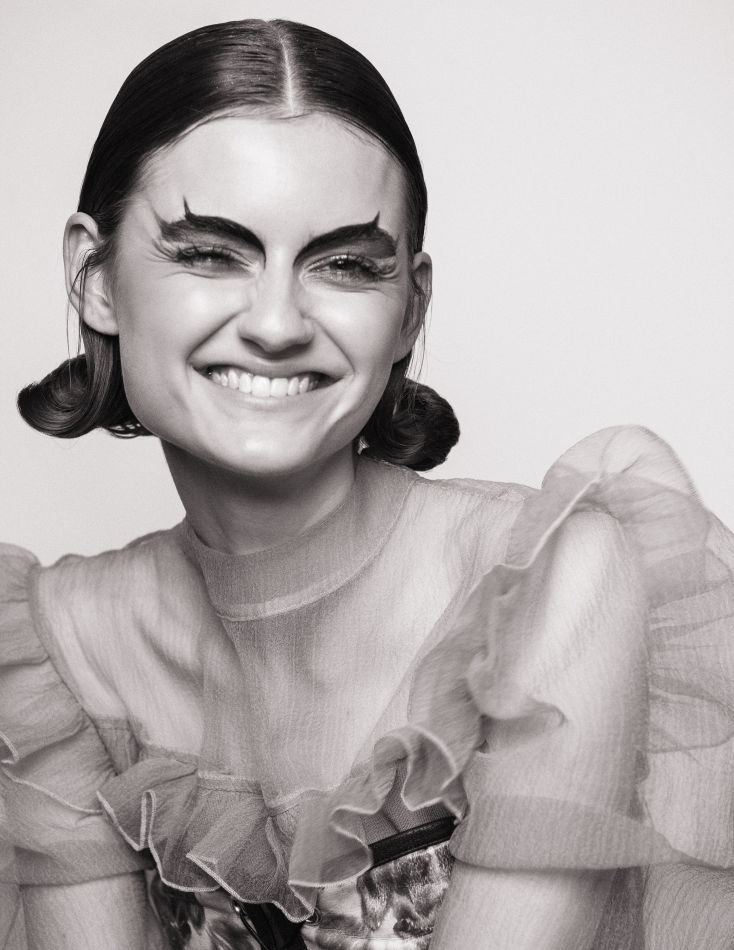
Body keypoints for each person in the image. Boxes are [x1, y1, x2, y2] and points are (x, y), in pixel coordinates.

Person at [2, 17, 734, 950]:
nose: (276, 324)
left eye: (344, 264)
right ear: (94, 277)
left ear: (410, 309)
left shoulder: (550, 585)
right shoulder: (52, 650)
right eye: (211, 253)